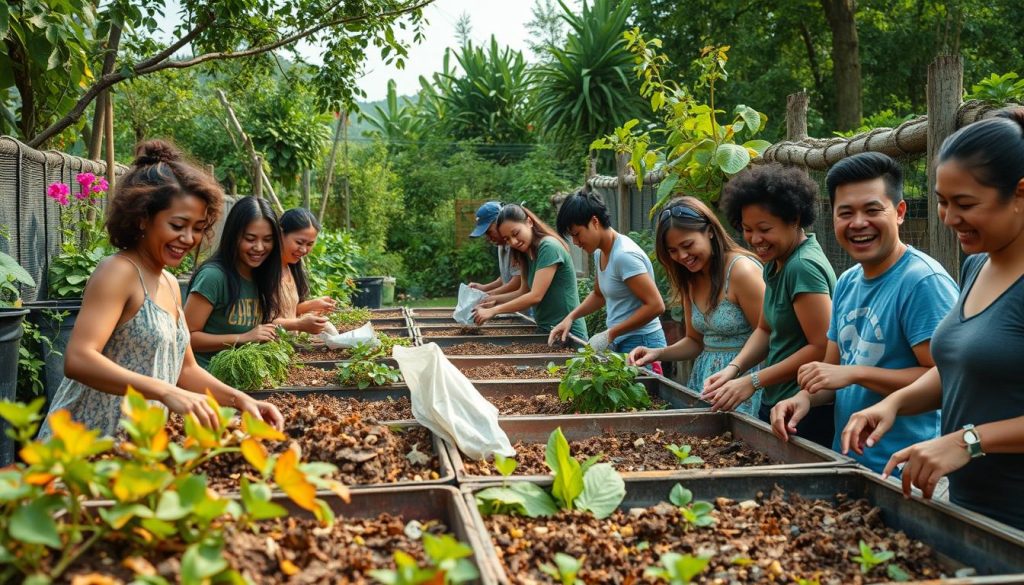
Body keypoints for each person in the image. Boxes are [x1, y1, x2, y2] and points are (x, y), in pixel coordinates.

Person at [842, 109, 1024, 530]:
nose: (948, 218)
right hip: (972, 508)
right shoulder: (977, 265)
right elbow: (959, 368)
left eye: (965, 204)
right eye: (942, 201)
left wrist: (969, 441)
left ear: (1019, 193)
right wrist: (894, 404)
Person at [38, 141, 283, 439]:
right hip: (85, 441)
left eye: (198, 227)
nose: (188, 238)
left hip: (134, 444)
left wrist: (241, 400)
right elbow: (79, 359)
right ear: (143, 217)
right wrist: (166, 392)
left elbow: (186, 369)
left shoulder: (167, 280)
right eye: (178, 225)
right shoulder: (119, 272)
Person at [770, 153, 957, 472]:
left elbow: (945, 377)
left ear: (899, 212)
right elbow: (832, 371)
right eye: (846, 213)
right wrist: (803, 399)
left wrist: (855, 373)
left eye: (872, 210)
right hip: (848, 461)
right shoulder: (847, 281)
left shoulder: (923, 282)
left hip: (905, 469)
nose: (858, 223)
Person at [703, 164, 837, 448]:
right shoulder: (777, 261)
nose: (755, 240)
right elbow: (765, 328)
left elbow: (821, 346)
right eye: (748, 230)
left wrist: (752, 381)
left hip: (805, 406)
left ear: (794, 219)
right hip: (777, 400)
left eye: (765, 229)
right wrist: (733, 369)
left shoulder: (802, 267)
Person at [628, 196, 766, 416]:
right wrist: (657, 353)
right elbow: (695, 341)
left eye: (687, 245)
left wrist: (735, 371)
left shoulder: (742, 271)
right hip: (705, 383)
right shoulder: (690, 278)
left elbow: (768, 335)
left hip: (744, 385)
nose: (682, 256)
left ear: (709, 231)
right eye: (672, 251)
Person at [549, 191, 665, 358]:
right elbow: (599, 295)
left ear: (594, 221)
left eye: (577, 234)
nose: (575, 242)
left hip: (642, 342)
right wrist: (571, 317)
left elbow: (656, 305)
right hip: (620, 340)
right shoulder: (600, 252)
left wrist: (610, 334)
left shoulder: (624, 255)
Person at [184, 196, 283, 369]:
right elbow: (187, 338)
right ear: (233, 236)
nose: (259, 247)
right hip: (205, 378)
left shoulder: (261, 275)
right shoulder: (213, 277)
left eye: (267, 240)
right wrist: (243, 338)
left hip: (240, 377)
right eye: (250, 239)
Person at [473, 204, 587, 339]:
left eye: (515, 233)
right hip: (546, 330)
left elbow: (535, 296)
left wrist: (494, 310)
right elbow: (523, 291)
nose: (513, 242)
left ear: (529, 222)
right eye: (507, 239)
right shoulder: (526, 253)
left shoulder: (548, 247)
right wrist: (492, 301)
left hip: (569, 333)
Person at [273, 208, 334, 334]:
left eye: (310, 244)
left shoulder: (292, 267)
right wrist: (299, 324)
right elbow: (263, 322)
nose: (303, 250)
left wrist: (312, 304)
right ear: (280, 235)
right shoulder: (268, 272)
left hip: (288, 346)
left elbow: (287, 311)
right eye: (299, 242)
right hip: (274, 350)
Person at [467, 201, 522, 295]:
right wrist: (483, 288)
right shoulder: (500, 245)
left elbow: (518, 281)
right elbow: (505, 278)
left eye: (489, 232)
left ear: (500, 222)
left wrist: (487, 296)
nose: (488, 238)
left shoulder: (516, 245)